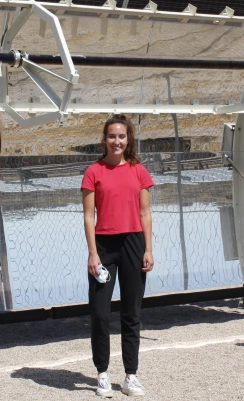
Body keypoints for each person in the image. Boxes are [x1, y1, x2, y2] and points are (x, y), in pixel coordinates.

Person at [81, 114, 154, 397]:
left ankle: (130, 376)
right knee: (100, 313)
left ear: (128, 139)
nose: (117, 141)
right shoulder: (93, 172)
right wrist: (92, 253)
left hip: (134, 245)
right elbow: (89, 216)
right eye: (112, 136)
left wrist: (148, 249)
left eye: (121, 136)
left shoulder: (139, 172)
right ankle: (101, 373)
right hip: (104, 248)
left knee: (131, 314)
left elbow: (145, 213)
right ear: (105, 139)